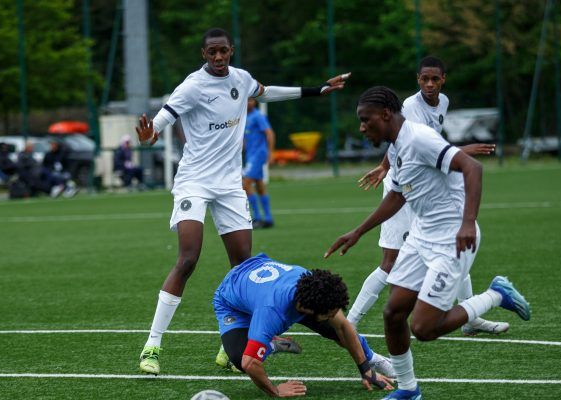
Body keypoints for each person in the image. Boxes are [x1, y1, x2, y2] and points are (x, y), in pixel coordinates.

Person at [133, 27, 350, 375]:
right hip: (194, 182)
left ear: (231, 51)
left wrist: (316, 90)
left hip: (230, 186)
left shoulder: (242, 79)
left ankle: (231, 345)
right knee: (188, 258)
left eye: (223, 51)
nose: (218, 58)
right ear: (203, 54)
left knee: (244, 269)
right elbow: (162, 118)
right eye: (212, 52)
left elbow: (267, 92)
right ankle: (153, 346)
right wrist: (148, 137)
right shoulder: (192, 86)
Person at [325, 87, 531, 400]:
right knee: (393, 313)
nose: (362, 128)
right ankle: (409, 390)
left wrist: (467, 222)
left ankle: (495, 295)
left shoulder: (419, 138)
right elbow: (396, 196)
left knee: (423, 328)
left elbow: (472, 167)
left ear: (385, 115)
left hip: (452, 239)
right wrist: (358, 231)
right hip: (421, 236)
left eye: (366, 121)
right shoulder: (395, 149)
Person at [346, 56, 508, 337]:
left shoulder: (442, 102)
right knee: (390, 262)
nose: (430, 84)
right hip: (404, 186)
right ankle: (351, 322)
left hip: (425, 185)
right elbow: (406, 142)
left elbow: (422, 145)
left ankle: (470, 316)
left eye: (435, 79)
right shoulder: (410, 106)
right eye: (425, 79)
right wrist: (386, 167)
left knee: (451, 249)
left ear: (444, 79)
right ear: (417, 80)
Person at [214, 253, 394, 397]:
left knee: (338, 331)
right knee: (240, 358)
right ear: (307, 310)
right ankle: (271, 343)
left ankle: (376, 359)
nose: (334, 317)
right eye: (329, 314)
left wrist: (366, 370)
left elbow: (344, 328)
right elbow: (250, 363)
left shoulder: (313, 290)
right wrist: (275, 391)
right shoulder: (272, 312)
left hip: (261, 284)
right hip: (232, 302)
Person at [243, 98, 275, 228]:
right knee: (259, 184)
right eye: (247, 100)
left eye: (252, 100)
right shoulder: (243, 117)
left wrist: (271, 152)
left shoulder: (257, 116)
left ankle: (256, 217)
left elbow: (270, 133)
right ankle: (268, 218)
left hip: (258, 154)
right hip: (250, 155)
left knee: (245, 183)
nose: (250, 103)